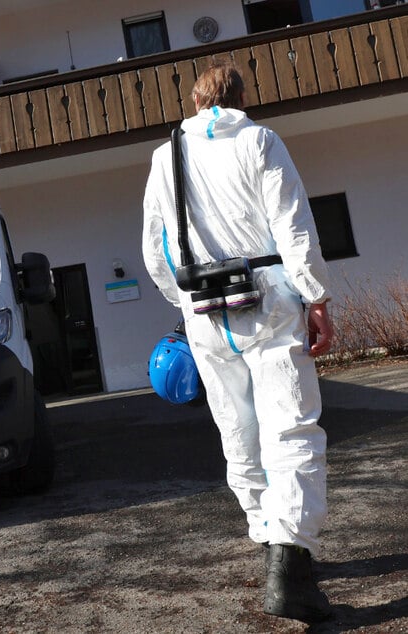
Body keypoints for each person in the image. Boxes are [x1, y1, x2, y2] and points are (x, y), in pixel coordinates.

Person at [141, 60, 335, 623]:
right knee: (291, 425)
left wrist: (184, 303)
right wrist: (317, 297)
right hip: (271, 300)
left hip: (203, 309)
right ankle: (291, 559)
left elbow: (156, 252)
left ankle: (266, 537)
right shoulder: (259, 142)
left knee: (237, 426)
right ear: (239, 98)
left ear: (197, 101)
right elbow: (294, 226)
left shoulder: (164, 158)